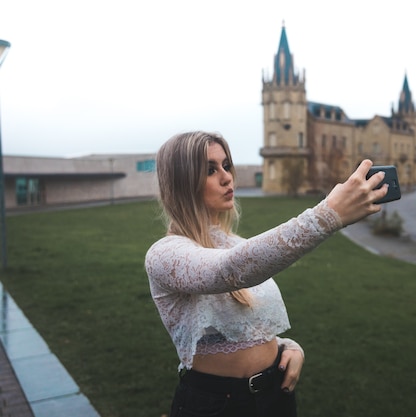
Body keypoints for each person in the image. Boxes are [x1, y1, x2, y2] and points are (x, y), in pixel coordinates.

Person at [145, 131, 388, 417]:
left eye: (226, 165)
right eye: (210, 169)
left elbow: (245, 324)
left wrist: (288, 348)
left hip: (276, 396)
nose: (226, 177)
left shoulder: (235, 243)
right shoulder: (165, 254)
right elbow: (231, 271)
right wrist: (328, 214)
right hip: (216, 405)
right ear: (181, 181)